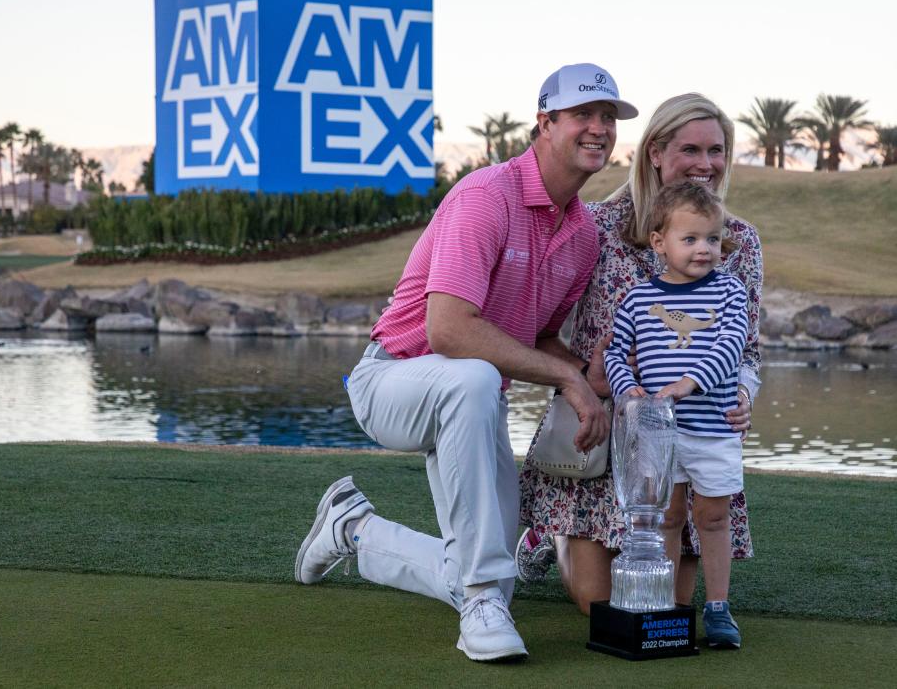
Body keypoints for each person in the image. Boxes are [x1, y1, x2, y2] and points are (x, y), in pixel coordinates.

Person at [294, 63, 638, 662]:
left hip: (472, 400)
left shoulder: (582, 233)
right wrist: (563, 377)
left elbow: (540, 334)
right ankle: (478, 600)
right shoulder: (486, 196)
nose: (599, 128)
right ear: (545, 122)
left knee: (495, 569)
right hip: (391, 380)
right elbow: (448, 331)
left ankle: (356, 531)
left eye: (608, 118)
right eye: (583, 114)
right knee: (475, 379)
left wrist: (585, 376)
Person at [517, 92, 761, 635]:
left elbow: (747, 349)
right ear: (654, 151)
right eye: (689, 148)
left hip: (689, 430)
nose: (705, 163)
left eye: (717, 150)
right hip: (604, 436)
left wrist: (744, 394)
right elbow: (538, 327)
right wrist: (584, 376)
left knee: (669, 604)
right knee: (599, 604)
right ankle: (547, 531)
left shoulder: (737, 241)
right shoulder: (595, 227)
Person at [605, 180, 748, 647]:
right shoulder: (637, 299)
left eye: (711, 238)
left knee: (711, 517)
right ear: (659, 242)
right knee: (665, 517)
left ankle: (718, 608)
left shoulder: (729, 293)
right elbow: (614, 354)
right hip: (658, 435)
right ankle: (661, 607)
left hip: (712, 430)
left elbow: (731, 347)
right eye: (690, 239)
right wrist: (629, 393)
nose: (704, 249)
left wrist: (689, 384)